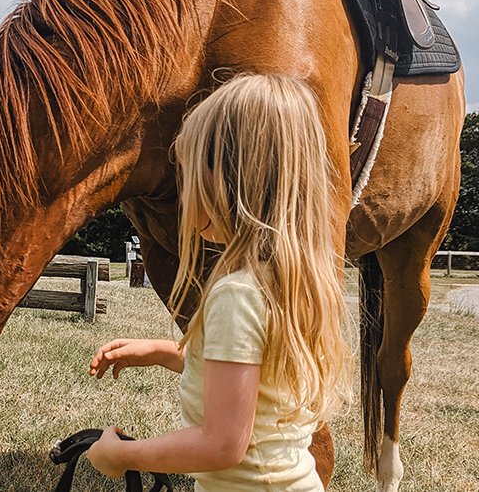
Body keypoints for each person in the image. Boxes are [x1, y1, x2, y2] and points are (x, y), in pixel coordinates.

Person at [86, 74, 351, 491]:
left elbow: (221, 444)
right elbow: (251, 379)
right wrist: (160, 352)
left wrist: (121, 456)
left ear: (227, 179)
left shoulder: (237, 294)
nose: (184, 192)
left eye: (189, 172)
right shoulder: (290, 281)